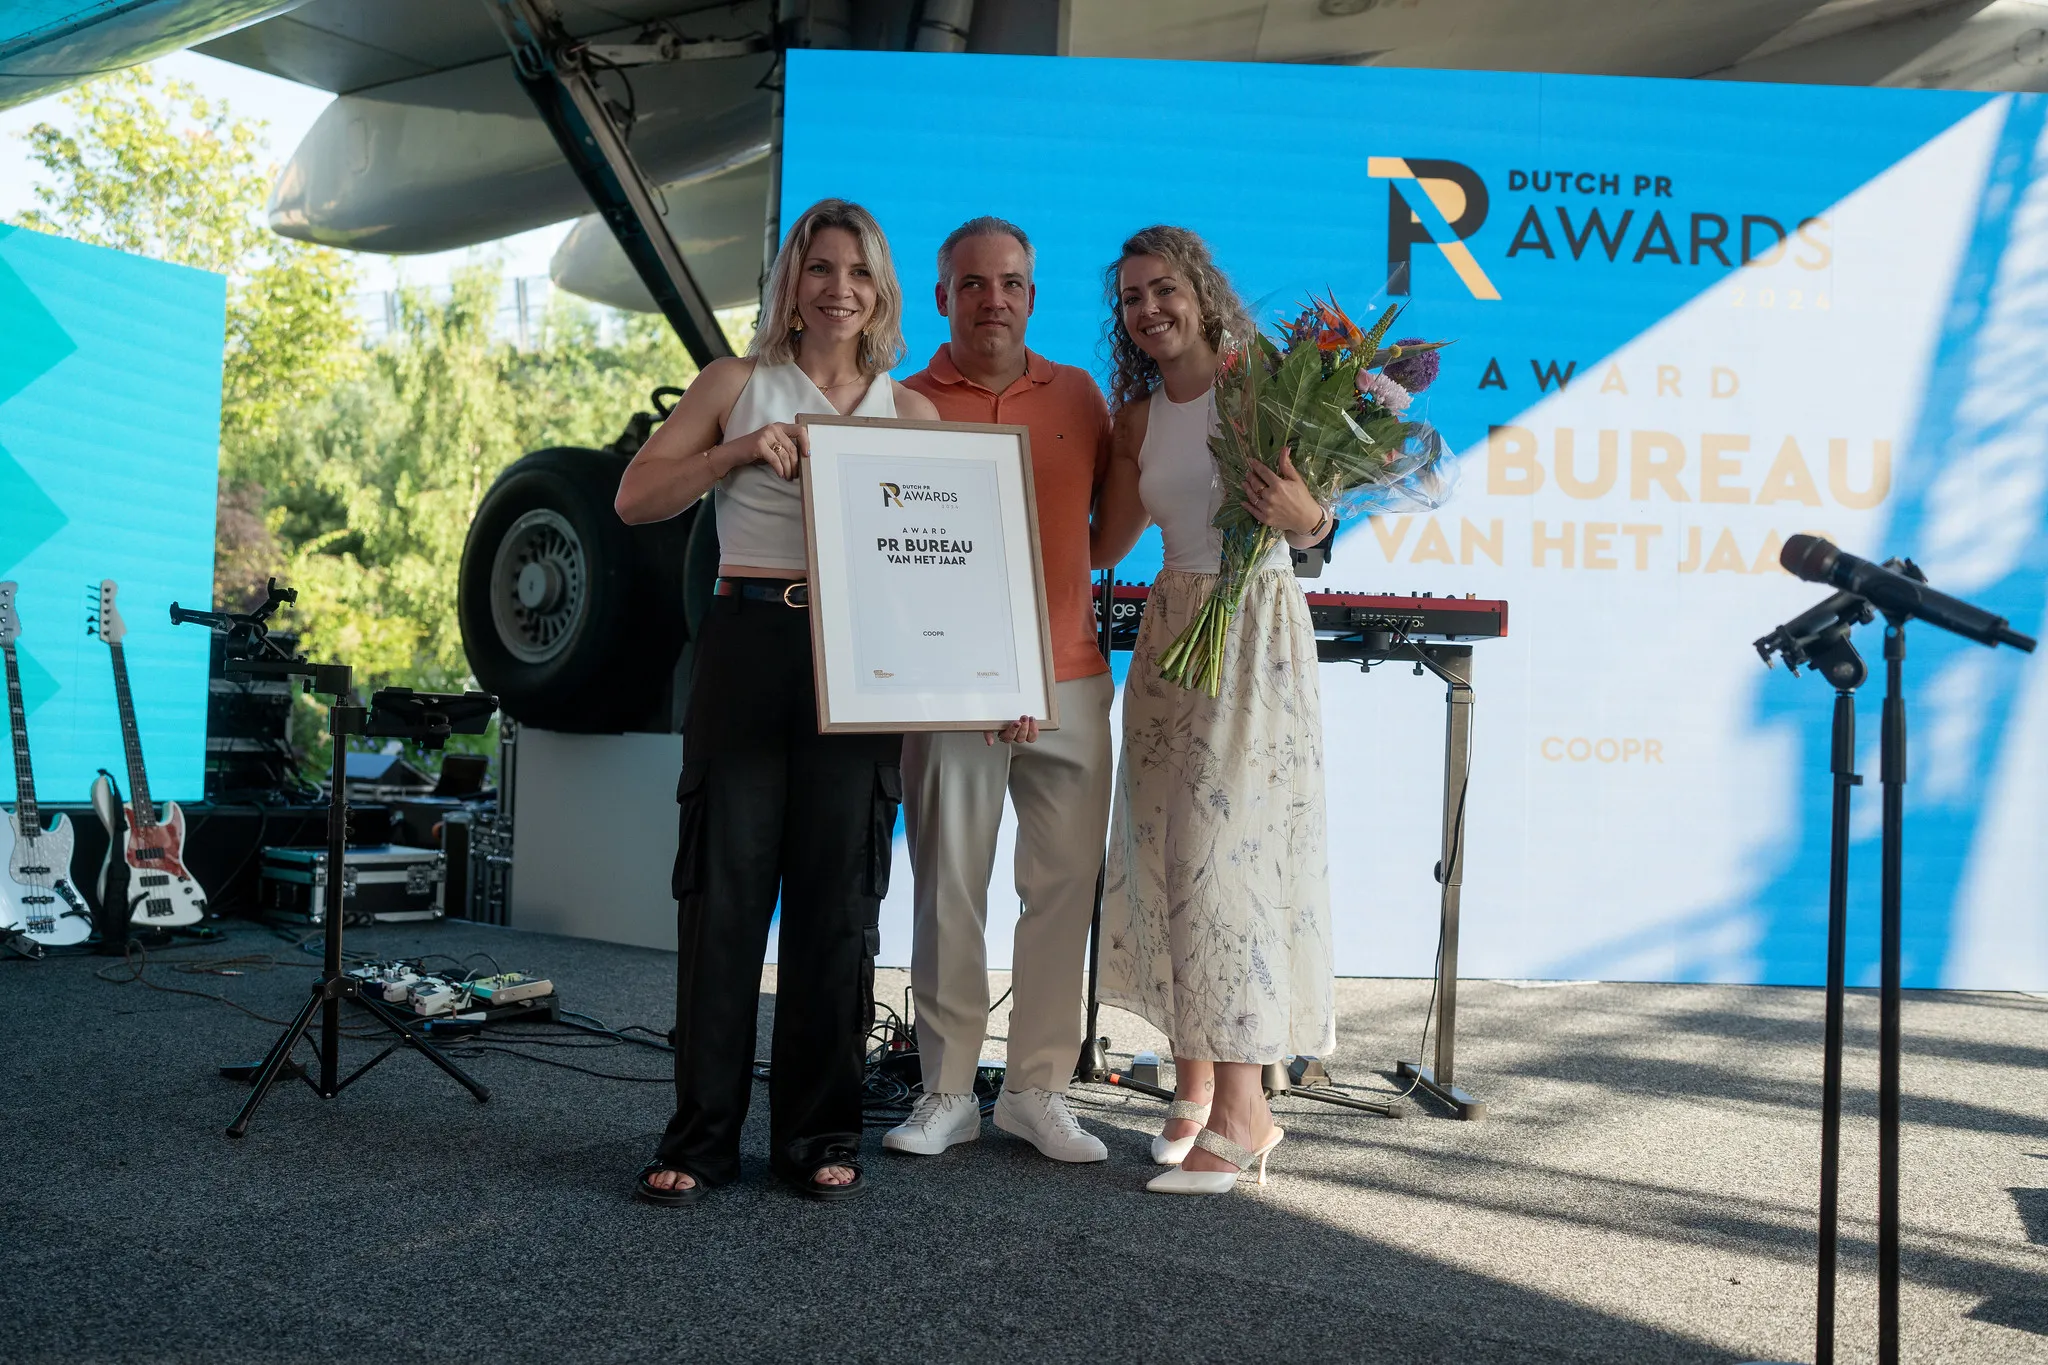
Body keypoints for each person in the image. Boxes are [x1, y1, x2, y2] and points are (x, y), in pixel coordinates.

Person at [614, 198, 940, 1204]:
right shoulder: (734, 383)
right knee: (724, 897)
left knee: (838, 906)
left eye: (859, 271)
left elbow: (941, 570)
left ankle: (817, 1134)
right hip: (748, 641)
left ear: (881, 291)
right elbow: (635, 499)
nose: (840, 289)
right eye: (820, 268)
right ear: (791, 284)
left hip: (860, 663)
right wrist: (736, 451)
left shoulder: (913, 414)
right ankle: (701, 1138)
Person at [1089, 225, 1337, 1196]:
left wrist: (1310, 518)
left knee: (1225, 862)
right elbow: (1104, 544)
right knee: (1164, 852)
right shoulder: (1135, 419)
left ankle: (1247, 1111)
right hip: (1170, 634)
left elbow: (1314, 526)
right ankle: (1193, 1089)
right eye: (1130, 298)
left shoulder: (1264, 389)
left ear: (1200, 291)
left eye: (1163, 289)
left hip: (1253, 626)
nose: (1148, 309)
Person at [882, 217, 1115, 1164]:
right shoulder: (900, 403)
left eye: (1011, 282)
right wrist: (966, 659)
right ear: (942, 296)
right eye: (973, 284)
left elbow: (1106, 534)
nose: (993, 300)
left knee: (1063, 890)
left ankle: (1035, 1091)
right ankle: (947, 1090)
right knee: (949, 888)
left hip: (1072, 681)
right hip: (951, 693)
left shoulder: (1081, 396)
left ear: (1032, 295)